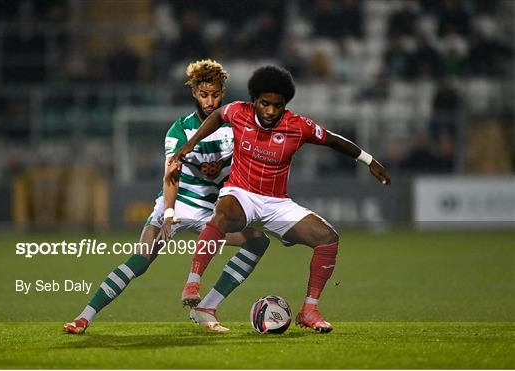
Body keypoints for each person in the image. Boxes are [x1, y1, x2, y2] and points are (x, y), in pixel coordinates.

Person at [173, 65, 390, 333]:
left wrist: (369, 160)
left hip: (276, 203)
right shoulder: (238, 111)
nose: (271, 111)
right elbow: (216, 116)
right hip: (241, 194)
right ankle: (193, 283)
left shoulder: (298, 126)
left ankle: (309, 310)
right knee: (224, 212)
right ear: (255, 100)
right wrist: (190, 143)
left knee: (328, 238)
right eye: (265, 104)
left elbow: (333, 140)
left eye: (278, 105)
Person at [64, 59, 270, 334]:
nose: (210, 101)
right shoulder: (179, 130)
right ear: (194, 93)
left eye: (216, 94)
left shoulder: (235, 127)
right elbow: (170, 177)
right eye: (204, 94)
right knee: (140, 260)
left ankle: (206, 307)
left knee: (258, 242)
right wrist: (170, 215)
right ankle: (84, 317)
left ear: (223, 91)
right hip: (179, 201)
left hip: (213, 209)